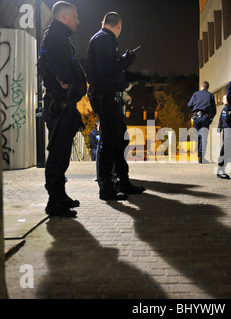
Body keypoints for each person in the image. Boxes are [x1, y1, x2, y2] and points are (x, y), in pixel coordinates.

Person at [86, 12, 145, 201]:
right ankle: (106, 187)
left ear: (104, 22)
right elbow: (107, 68)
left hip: (109, 96)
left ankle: (122, 181)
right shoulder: (104, 39)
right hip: (107, 96)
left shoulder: (103, 39)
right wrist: (126, 61)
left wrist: (122, 60)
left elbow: (108, 66)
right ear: (118, 25)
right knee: (110, 141)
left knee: (119, 140)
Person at [38, 1, 87, 218]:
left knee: (62, 152)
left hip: (64, 103)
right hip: (60, 103)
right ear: (64, 17)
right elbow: (59, 70)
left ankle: (60, 194)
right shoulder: (57, 38)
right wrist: (68, 81)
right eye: (75, 16)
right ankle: (54, 201)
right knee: (58, 153)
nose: (78, 21)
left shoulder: (59, 37)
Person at [187, 81, 217, 164]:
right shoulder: (210, 95)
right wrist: (210, 118)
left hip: (196, 117)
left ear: (201, 87)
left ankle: (199, 155)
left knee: (197, 136)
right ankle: (201, 157)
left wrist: (196, 107)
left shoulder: (196, 94)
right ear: (208, 87)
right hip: (205, 117)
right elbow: (214, 110)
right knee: (204, 137)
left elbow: (189, 105)